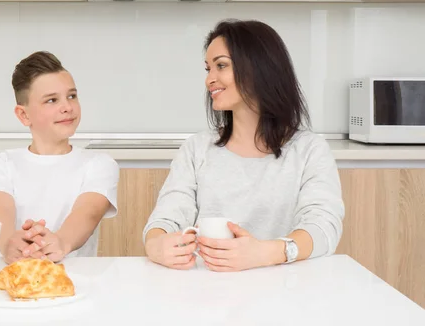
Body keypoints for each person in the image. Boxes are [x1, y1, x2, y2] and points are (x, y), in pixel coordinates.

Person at [143, 19, 345, 272]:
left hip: (285, 292)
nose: (209, 80)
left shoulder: (309, 150)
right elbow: (165, 219)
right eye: (208, 69)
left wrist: (266, 252)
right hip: (206, 290)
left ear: (258, 68)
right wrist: (155, 245)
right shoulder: (196, 149)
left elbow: (324, 227)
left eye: (221, 66)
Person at [0, 51, 119, 264]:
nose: (67, 107)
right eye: (51, 100)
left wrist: (60, 242)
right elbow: (0, 212)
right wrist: (9, 244)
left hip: (75, 279)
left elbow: (88, 212)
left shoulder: (100, 164)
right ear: (24, 115)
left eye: (72, 96)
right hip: (11, 275)